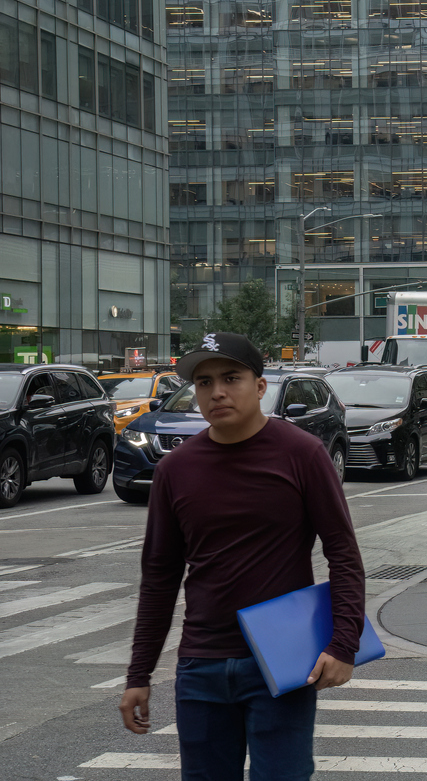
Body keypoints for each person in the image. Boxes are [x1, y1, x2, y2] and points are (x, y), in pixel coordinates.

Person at [120, 332, 365, 781]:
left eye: (231, 377)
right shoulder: (176, 469)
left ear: (259, 385)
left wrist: (343, 643)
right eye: (203, 381)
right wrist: (139, 674)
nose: (216, 391)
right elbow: (159, 577)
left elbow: (344, 555)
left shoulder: (302, 454)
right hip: (200, 665)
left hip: (280, 660)